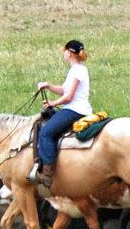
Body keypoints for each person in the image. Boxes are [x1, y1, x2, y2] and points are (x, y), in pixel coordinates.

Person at [29, 39, 91, 192]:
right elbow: (64, 90)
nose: (64, 54)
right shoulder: (77, 69)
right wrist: (48, 86)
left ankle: (47, 173)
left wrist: (53, 103)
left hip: (75, 110)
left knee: (46, 132)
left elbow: (68, 97)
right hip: (75, 108)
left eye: (65, 51)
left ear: (69, 53)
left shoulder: (77, 71)